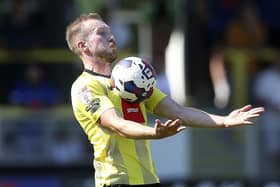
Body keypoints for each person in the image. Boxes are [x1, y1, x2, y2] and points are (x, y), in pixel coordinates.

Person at [65, 13, 265, 187]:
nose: (111, 37)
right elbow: (118, 126)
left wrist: (223, 121)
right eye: (101, 33)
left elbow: (180, 112)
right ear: (83, 46)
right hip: (117, 181)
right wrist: (155, 133)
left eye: (110, 32)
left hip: (149, 179)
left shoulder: (130, 79)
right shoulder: (85, 87)